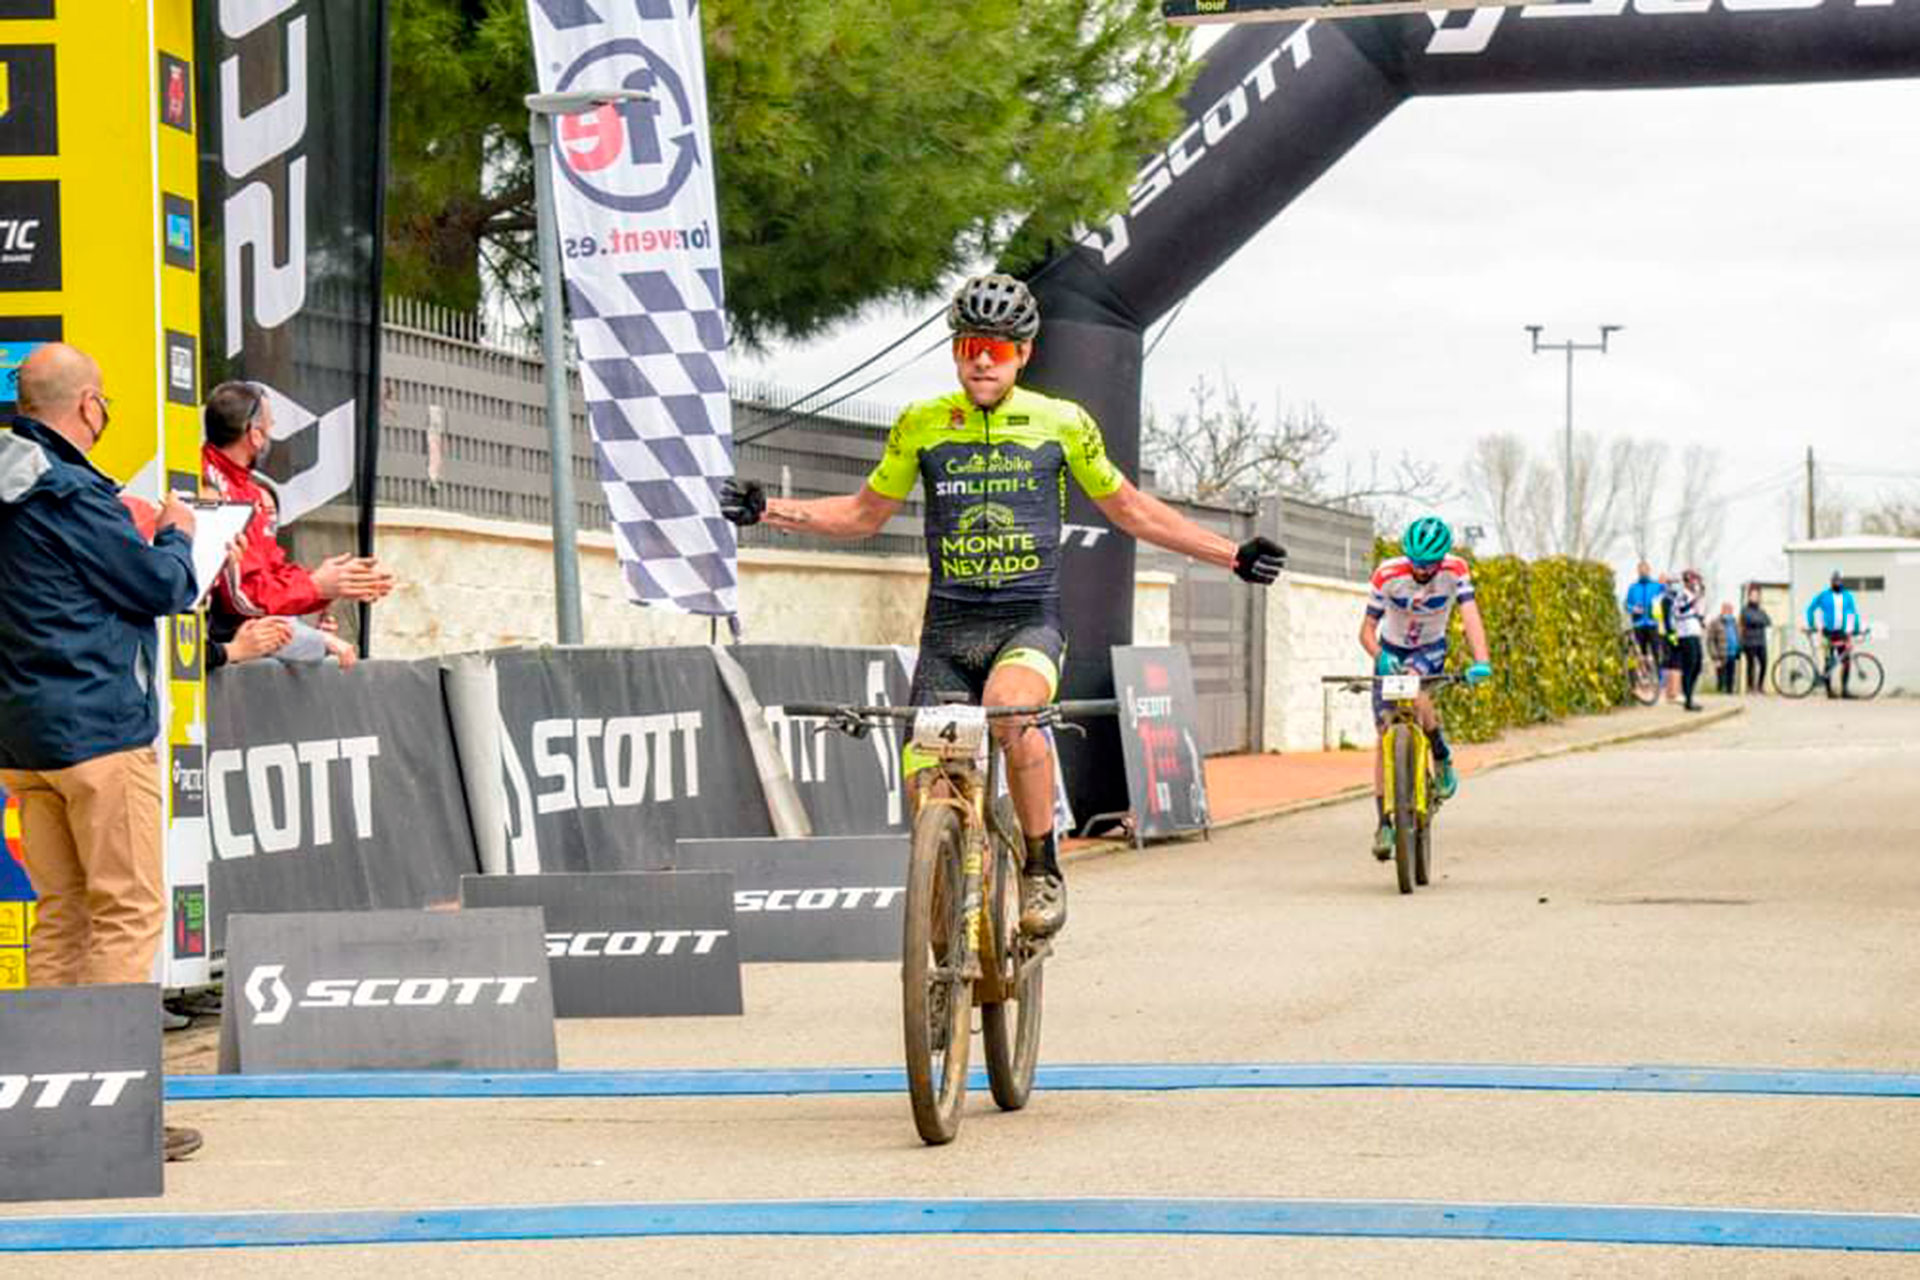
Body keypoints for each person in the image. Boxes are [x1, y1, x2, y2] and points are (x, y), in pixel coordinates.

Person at [717, 274, 1285, 938]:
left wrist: (1232, 555)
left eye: (995, 345)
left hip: (1027, 622)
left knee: (1010, 716)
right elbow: (862, 515)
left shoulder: (1061, 423)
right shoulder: (921, 424)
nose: (981, 359)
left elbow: (1130, 510)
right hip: (948, 632)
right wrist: (768, 509)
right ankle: (946, 920)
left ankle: (1043, 867)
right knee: (926, 779)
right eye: (968, 345)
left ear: (1023, 352)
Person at [0, 343, 203, 1161]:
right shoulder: (70, 490)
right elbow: (161, 589)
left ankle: (41, 1103)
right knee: (125, 915)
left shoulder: (12, 485)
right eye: (106, 399)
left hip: (24, 737)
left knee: (61, 918)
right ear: (88, 405)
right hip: (99, 733)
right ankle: (117, 1115)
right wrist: (179, 535)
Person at [201, 380, 394, 625]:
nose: (272, 432)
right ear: (256, 436)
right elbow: (242, 599)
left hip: (246, 632)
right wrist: (316, 586)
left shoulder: (250, 490)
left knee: (313, 642)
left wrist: (328, 583)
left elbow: (271, 571)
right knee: (312, 643)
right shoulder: (212, 489)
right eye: (270, 426)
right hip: (221, 640)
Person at [1357, 516, 1492, 860]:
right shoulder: (1387, 574)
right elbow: (1366, 631)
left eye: (1428, 565)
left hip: (1429, 646)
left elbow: (1471, 615)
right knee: (1385, 730)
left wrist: (1481, 660)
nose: (1421, 571)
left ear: (1441, 560)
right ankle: (1385, 822)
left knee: (1417, 692)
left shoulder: (1455, 570)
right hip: (1389, 649)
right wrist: (1379, 656)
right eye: (1416, 563)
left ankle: (1441, 754)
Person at [1804, 570, 1863, 698]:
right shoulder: (1824, 595)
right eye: (1834, 580)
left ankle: (1845, 690)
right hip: (1828, 633)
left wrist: (1855, 629)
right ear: (1831, 581)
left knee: (1846, 661)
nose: (1836, 582)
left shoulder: (1847, 596)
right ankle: (1829, 691)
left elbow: (1853, 613)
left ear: (1842, 582)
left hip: (1842, 633)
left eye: (1838, 580)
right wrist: (1811, 624)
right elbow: (1810, 608)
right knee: (1828, 661)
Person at [1622, 560, 1665, 684]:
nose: (1643, 572)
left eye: (1645, 569)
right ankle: (1643, 678)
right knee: (1641, 652)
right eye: (1640, 570)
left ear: (1649, 570)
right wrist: (1633, 608)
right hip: (1638, 624)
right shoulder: (1633, 587)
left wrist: (1665, 583)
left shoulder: (1657, 586)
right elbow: (1626, 604)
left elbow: (1668, 595)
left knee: (1656, 651)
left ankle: (1658, 680)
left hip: (1653, 623)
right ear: (1637, 571)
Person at [1672, 569, 1707, 711]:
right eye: (1694, 580)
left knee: (1697, 665)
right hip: (1685, 634)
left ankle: (1689, 694)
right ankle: (1687, 699)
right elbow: (1679, 611)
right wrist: (1694, 600)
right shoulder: (1682, 595)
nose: (1696, 583)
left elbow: (1695, 612)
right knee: (1690, 665)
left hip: (1695, 632)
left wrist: (1701, 620)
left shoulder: (1693, 596)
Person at [1653, 575, 1683, 703]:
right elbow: (1668, 620)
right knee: (1674, 664)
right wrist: (1673, 636)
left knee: (1669, 663)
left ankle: (1669, 694)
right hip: (1669, 634)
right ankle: (1672, 693)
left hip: (1664, 633)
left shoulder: (1663, 599)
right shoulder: (1667, 600)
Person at [1739, 585, 1772, 694]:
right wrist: (1758, 621)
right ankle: (1750, 687)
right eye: (1753, 595)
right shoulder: (1745, 610)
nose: (1755, 597)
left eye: (1757, 596)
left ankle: (1760, 686)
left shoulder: (1761, 610)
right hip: (1749, 642)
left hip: (1761, 642)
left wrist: (1757, 621)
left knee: (1764, 663)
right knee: (1751, 665)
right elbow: (1748, 620)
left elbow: (1768, 621)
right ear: (1749, 597)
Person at [1707, 602, 1741, 695]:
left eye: (1730, 610)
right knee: (1721, 676)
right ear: (1722, 610)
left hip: (1732, 652)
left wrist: (1738, 648)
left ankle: (1730, 692)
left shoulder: (1734, 622)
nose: (1729, 612)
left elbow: (1737, 636)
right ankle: (1720, 693)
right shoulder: (1715, 622)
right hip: (1721, 653)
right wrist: (1714, 655)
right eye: (1727, 609)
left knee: (1731, 675)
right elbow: (1710, 640)